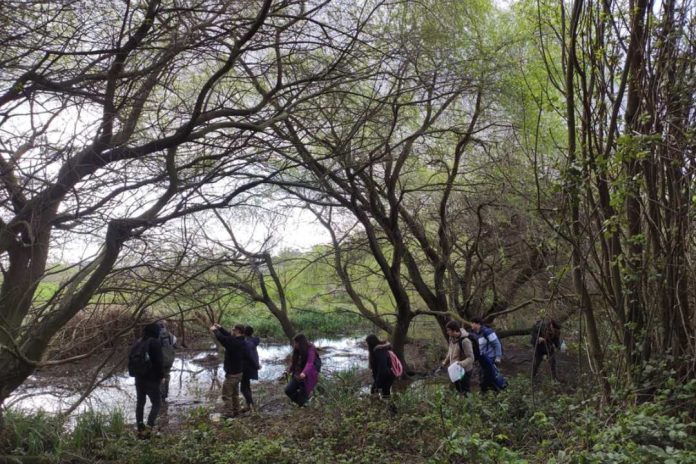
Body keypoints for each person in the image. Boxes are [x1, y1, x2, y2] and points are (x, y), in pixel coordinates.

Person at [129, 322, 164, 437]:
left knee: (140, 403)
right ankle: (149, 428)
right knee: (156, 403)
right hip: (152, 379)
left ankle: (140, 428)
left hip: (139, 378)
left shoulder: (138, 342)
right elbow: (159, 362)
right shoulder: (154, 342)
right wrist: (161, 377)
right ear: (155, 332)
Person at [211, 323, 249, 417]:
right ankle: (236, 411)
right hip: (238, 372)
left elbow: (224, 339)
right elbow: (229, 336)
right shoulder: (240, 340)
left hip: (232, 374)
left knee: (226, 395)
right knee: (235, 394)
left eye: (234, 329)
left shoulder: (234, 342)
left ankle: (229, 413)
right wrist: (220, 328)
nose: (232, 330)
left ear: (238, 331)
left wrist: (215, 331)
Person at [470, 317, 504, 393]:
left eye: (472, 323)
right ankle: (488, 393)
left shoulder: (487, 332)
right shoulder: (475, 334)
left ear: (478, 324)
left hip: (491, 358)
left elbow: (497, 344)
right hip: (483, 360)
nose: (471, 324)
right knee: (483, 378)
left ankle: (499, 390)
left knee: (490, 377)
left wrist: (498, 357)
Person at [284, 333, 319, 407]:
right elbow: (294, 362)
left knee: (302, 399)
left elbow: (310, 363)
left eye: (296, 343)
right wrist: (290, 369)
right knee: (288, 390)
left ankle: (303, 403)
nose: (295, 345)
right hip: (297, 375)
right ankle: (302, 403)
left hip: (308, 376)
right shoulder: (297, 351)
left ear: (300, 343)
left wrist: (304, 373)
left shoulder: (311, 349)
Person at [440, 320, 475, 395]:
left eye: (449, 330)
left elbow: (471, 358)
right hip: (455, 370)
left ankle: (470, 405)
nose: (447, 332)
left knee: (466, 391)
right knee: (459, 390)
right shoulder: (451, 339)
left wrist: (461, 363)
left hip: (464, 370)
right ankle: (462, 405)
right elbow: (450, 352)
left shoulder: (465, 341)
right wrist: (445, 362)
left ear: (454, 330)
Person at [365, 334, 397, 399]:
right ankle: (388, 407)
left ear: (371, 343)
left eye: (367, 343)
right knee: (385, 394)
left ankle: (389, 408)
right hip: (387, 375)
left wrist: (377, 383)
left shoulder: (379, 351)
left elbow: (382, 368)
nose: (367, 345)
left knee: (382, 394)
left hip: (386, 376)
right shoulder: (380, 349)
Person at [241, 325, 261, 411]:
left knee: (243, 388)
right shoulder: (252, 341)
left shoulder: (247, 343)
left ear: (244, 333)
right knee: (246, 385)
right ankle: (249, 405)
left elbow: (250, 356)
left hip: (247, 367)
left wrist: (256, 365)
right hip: (251, 366)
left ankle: (251, 404)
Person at [158, 320, 177, 402]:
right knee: (166, 376)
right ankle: (165, 396)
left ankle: (160, 396)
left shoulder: (154, 337)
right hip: (169, 360)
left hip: (160, 360)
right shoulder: (171, 336)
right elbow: (174, 345)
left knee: (158, 377)